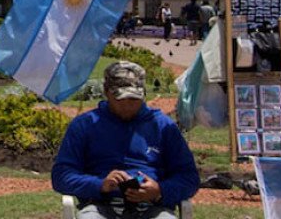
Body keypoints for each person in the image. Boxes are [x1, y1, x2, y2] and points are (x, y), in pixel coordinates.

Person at [52, 61, 200, 219]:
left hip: (153, 207)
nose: (128, 106)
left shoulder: (163, 126)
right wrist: (100, 185)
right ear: (106, 92)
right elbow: (62, 176)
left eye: (134, 100)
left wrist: (159, 191)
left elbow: (189, 178)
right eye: (120, 100)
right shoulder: (85, 125)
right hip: (100, 205)